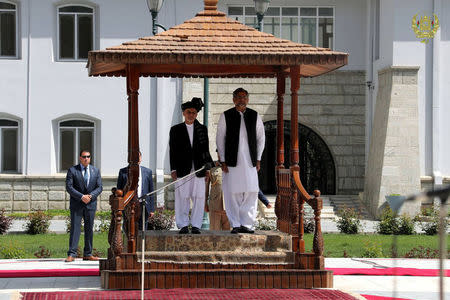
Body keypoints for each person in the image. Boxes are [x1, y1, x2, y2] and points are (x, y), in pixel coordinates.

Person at [216, 87, 265, 234]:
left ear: (248, 100)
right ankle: (236, 224)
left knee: (251, 191)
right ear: (233, 99)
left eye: (244, 97)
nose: (241, 99)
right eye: (238, 97)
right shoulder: (226, 115)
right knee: (232, 193)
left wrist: (258, 158)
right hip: (231, 162)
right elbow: (220, 138)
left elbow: (261, 138)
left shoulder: (254, 115)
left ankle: (247, 224)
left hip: (250, 161)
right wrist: (223, 159)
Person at [169, 97, 213, 234]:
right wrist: (173, 169)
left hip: (199, 168)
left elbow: (206, 149)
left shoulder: (202, 129)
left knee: (199, 197)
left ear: (196, 114)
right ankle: (182, 224)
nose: (191, 115)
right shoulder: (175, 129)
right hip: (182, 168)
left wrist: (208, 169)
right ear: (183, 113)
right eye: (189, 112)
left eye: (194, 112)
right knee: (182, 197)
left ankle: (196, 225)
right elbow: (173, 150)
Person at [65, 150, 103, 262]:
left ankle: (88, 253)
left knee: (89, 229)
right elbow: (69, 187)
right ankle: (72, 254)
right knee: (75, 228)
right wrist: (82, 196)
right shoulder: (72, 170)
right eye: (84, 157)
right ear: (80, 158)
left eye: (88, 156)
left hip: (90, 204)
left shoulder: (95, 171)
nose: (86, 158)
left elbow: (99, 187)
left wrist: (90, 196)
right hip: (77, 204)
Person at [117, 152, 155, 230]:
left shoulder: (147, 172)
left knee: (142, 229)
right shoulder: (123, 172)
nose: (136, 159)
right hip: (128, 204)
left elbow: (151, 191)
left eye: (138, 157)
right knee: (128, 228)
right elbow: (119, 190)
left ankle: (141, 242)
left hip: (143, 205)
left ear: (141, 158)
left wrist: (151, 209)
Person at [205, 159, 230, 231]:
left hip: (229, 207)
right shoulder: (212, 168)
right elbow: (206, 187)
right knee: (214, 233)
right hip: (215, 206)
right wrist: (205, 203)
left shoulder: (233, 168)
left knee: (229, 235)